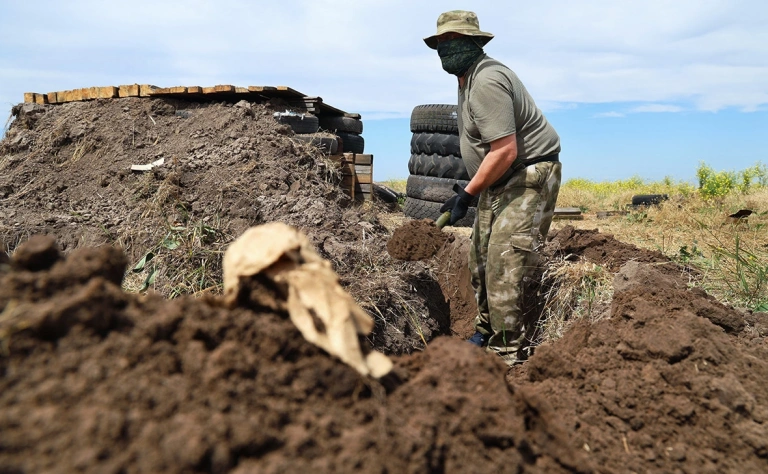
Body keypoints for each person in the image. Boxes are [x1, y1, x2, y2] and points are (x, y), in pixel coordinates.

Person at [424, 10, 562, 366]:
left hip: (526, 175)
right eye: (440, 42)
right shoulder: (465, 80)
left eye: (453, 41)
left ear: (473, 43)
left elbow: (505, 150)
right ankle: (486, 331)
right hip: (500, 179)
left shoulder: (486, 81)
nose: (445, 48)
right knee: (479, 259)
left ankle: (507, 354)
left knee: (504, 262)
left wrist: (467, 194)